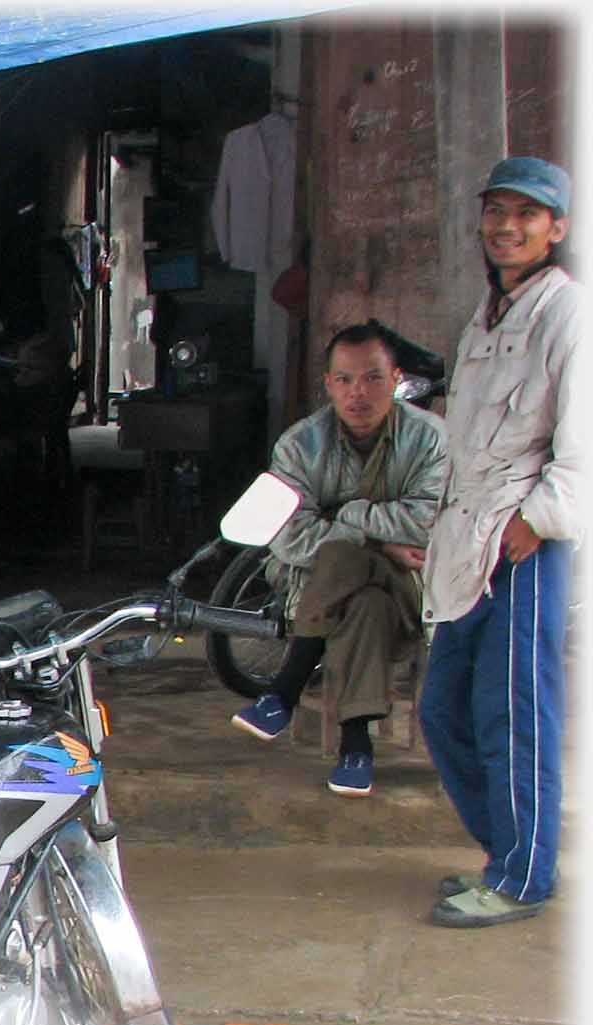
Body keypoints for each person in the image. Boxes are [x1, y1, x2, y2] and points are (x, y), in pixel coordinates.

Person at [419, 157, 580, 928]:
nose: (507, 226)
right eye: (497, 211)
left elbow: (578, 446)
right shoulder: (485, 317)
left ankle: (522, 877)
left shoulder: (567, 314)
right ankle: (512, 852)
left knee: (511, 714)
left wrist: (536, 521)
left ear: (558, 229)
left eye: (527, 214)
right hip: (467, 542)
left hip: (524, 543)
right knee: (444, 707)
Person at [228, 323, 449, 795]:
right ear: (328, 384)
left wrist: (347, 515)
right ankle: (356, 747)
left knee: (344, 552)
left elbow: (428, 519)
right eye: (344, 380)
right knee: (362, 598)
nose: (358, 394)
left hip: (411, 585)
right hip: (325, 586)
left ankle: (283, 691)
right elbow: (287, 535)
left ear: (396, 379)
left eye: (372, 378)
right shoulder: (299, 445)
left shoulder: (430, 438)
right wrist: (380, 542)